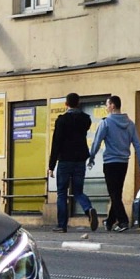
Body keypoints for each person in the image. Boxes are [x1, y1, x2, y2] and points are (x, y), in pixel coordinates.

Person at [88, 95, 140, 232]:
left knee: (114, 193)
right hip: (123, 163)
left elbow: (97, 141)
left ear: (112, 105)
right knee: (116, 192)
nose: (106, 107)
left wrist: (91, 157)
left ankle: (123, 221)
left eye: (107, 105)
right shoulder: (130, 123)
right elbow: (137, 144)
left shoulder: (106, 123)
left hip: (110, 163)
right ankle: (110, 221)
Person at [47, 92, 98, 233]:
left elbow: (56, 143)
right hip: (80, 160)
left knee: (62, 193)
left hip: (64, 160)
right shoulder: (85, 120)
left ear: (66, 104)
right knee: (78, 191)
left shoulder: (62, 120)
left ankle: (62, 225)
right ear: (78, 103)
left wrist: (51, 165)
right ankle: (89, 208)